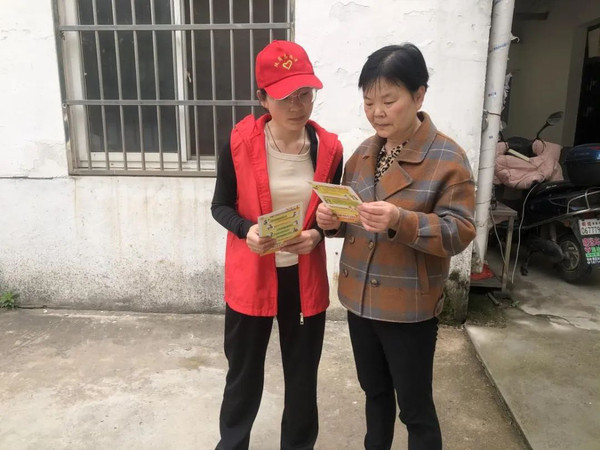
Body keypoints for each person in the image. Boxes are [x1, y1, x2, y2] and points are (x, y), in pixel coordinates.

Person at [316, 43, 476, 450]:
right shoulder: (363, 154)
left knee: (415, 409)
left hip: (408, 306)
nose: (377, 112)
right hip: (359, 298)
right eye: (369, 102)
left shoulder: (448, 158)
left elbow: (459, 232)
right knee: (374, 393)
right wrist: (332, 222)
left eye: (389, 101)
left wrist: (400, 221)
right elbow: (355, 217)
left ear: (419, 95)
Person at [211, 40, 343, 450]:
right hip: (252, 277)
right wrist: (245, 229)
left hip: (302, 282)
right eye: (285, 96)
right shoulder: (240, 142)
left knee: (302, 378)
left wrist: (319, 233)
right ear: (262, 98)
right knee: (243, 375)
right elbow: (220, 206)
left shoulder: (329, 149)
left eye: (305, 94)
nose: (297, 106)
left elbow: (334, 215)